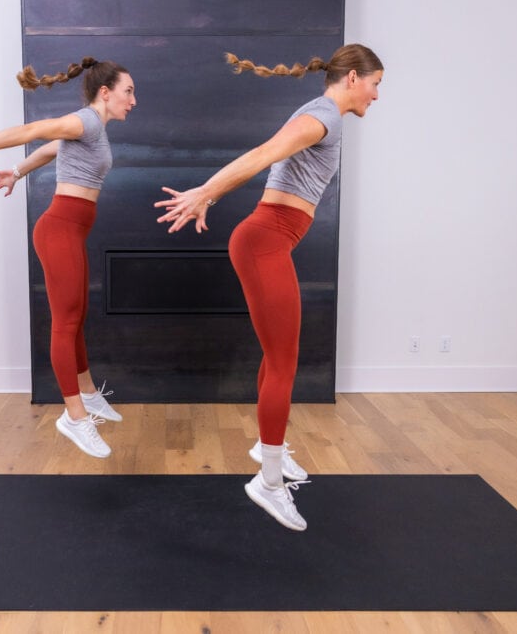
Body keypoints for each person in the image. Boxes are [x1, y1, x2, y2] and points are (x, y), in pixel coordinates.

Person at [155, 45, 383, 530]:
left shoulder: (321, 115)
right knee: (283, 361)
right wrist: (206, 192)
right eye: (375, 83)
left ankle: (267, 447)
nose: (376, 95)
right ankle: (269, 483)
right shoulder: (326, 116)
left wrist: (210, 194)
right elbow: (263, 154)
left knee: (276, 353)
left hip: (267, 241)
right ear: (353, 78)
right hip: (264, 242)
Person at [0, 57, 136, 459]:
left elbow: (50, 148)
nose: (134, 99)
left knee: (75, 317)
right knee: (66, 322)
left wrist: (16, 172)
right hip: (59, 229)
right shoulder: (87, 121)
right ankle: (74, 417)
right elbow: (33, 130)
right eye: (129, 91)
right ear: (106, 92)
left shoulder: (91, 131)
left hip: (69, 231)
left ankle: (88, 394)